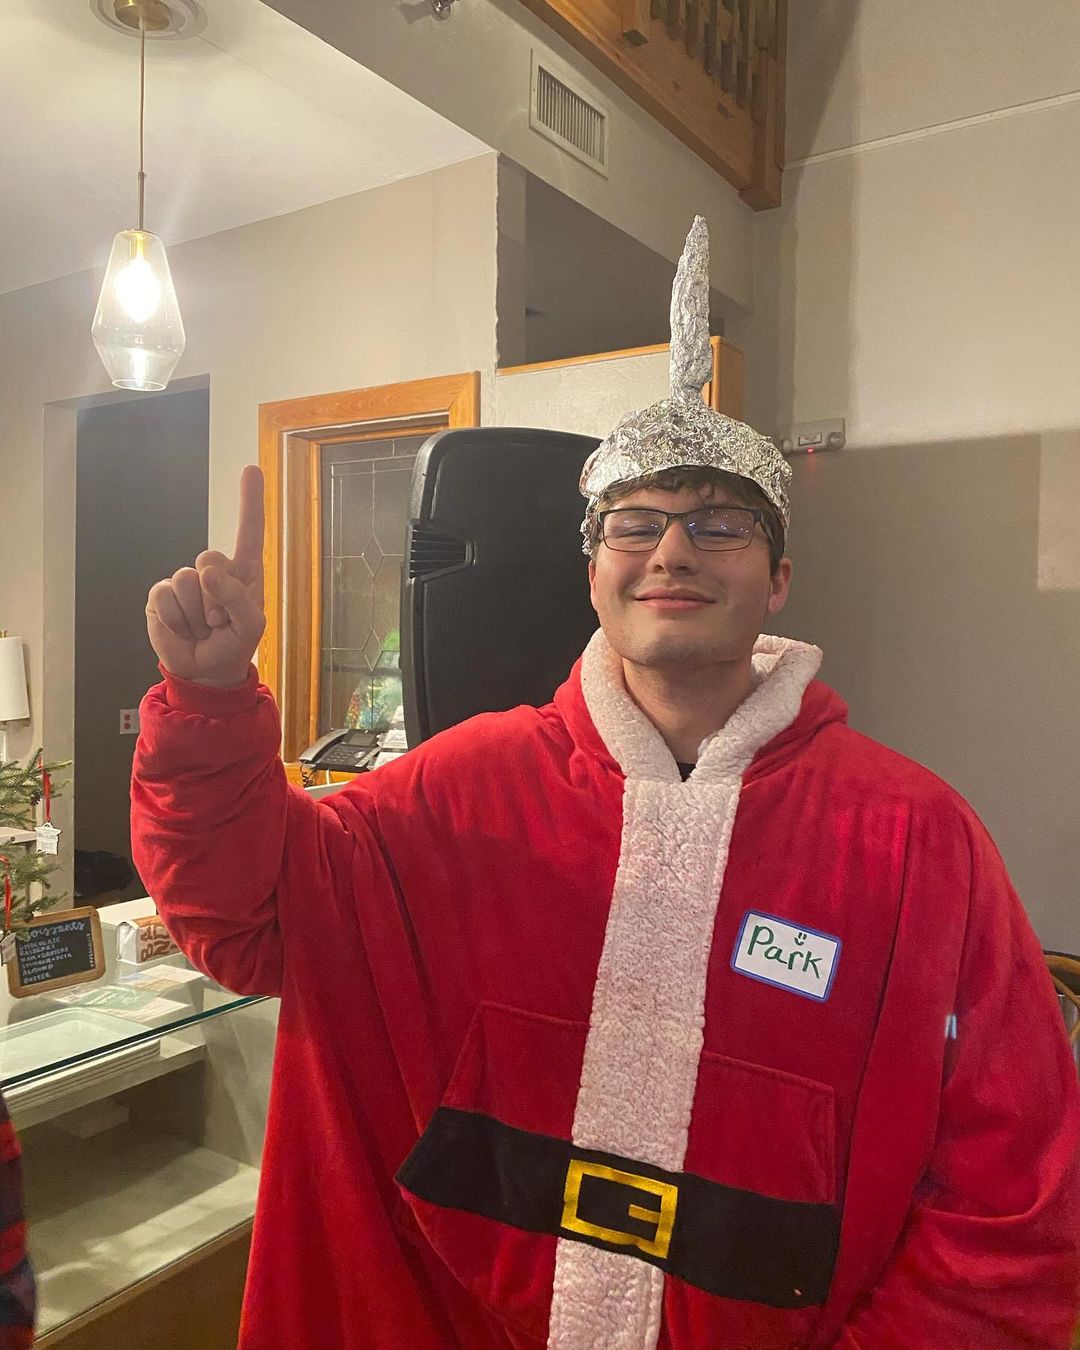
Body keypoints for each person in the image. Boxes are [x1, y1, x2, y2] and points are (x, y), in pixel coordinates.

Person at [130, 219, 1080, 1350]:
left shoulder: (914, 842)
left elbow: (1014, 1203)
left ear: (778, 579)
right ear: (593, 575)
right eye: (637, 525)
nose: (673, 552)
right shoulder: (457, 793)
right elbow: (247, 919)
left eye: (719, 526)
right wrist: (211, 704)